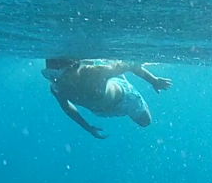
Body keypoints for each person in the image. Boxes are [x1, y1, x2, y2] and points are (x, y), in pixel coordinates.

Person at [43, 58, 172, 138]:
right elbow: (66, 107)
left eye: (59, 73)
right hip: (101, 110)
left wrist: (153, 80)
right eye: (49, 74)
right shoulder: (57, 87)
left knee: (145, 122)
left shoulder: (95, 72)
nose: (56, 79)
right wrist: (86, 127)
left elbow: (131, 64)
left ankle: (124, 82)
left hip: (125, 99)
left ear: (75, 67)